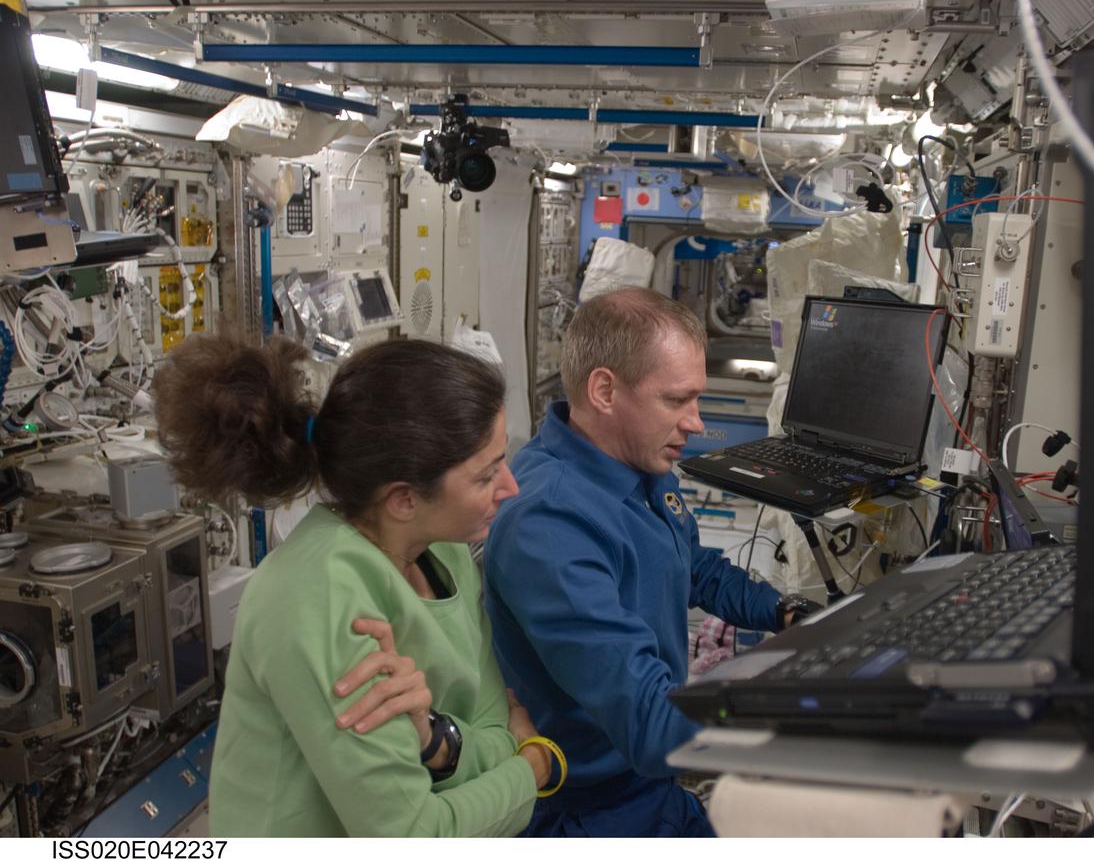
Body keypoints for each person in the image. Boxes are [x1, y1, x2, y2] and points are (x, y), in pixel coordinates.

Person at [153, 334, 559, 837]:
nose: (512, 488)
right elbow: (412, 834)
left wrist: (437, 740)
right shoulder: (319, 599)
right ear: (404, 499)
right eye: (486, 476)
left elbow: (495, 726)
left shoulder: (443, 551)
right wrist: (532, 768)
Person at [484, 288, 814, 837]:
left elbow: (693, 566)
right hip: (589, 810)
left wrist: (785, 612)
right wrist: (810, 708)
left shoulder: (635, 465)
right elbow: (653, 726)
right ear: (605, 390)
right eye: (677, 400)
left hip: (647, 785)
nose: (696, 422)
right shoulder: (550, 524)